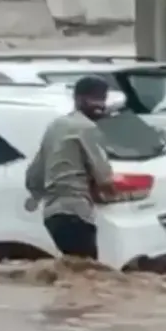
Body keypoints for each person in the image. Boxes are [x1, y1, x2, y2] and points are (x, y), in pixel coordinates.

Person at [25, 76, 115, 260]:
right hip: (76, 214)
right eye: (95, 99)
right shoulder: (88, 128)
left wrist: (37, 196)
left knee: (76, 271)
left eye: (103, 99)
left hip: (52, 216)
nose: (101, 104)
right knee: (91, 275)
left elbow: (33, 177)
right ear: (78, 99)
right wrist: (118, 196)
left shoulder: (55, 126)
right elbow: (105, 178)